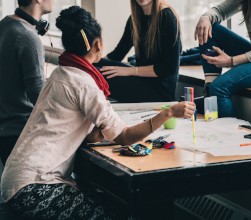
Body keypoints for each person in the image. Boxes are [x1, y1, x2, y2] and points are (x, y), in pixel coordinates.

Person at [0, 6, 195, 219]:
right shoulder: (84, 84)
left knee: (108, 199)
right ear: (98, 44)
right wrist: (167, 114)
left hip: (14, 179)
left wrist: (99, 131)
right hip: (34, 187)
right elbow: (124, 137)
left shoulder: (60, 73)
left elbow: (75, 129)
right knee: (115, 211)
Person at [194, 0, 251, 118]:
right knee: (211, 28)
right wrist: (205, 17)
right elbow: (220, 11)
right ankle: (209, 93)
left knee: (219, 87)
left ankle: (230, 134)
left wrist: (231, 61)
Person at [0, 0, 53, 165]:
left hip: (5, 131)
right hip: (21, 134)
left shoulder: (5, 24)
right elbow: (38, 95)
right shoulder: (28, 37)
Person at [97, 0, 181, 103]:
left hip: (160, 91)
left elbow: (169, 67)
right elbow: (117, 54)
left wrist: (129, 71)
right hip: (141, 79)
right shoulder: (134, 19)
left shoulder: (167, 17)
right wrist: (93, 60)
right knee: (92, 64)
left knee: (97, 74)